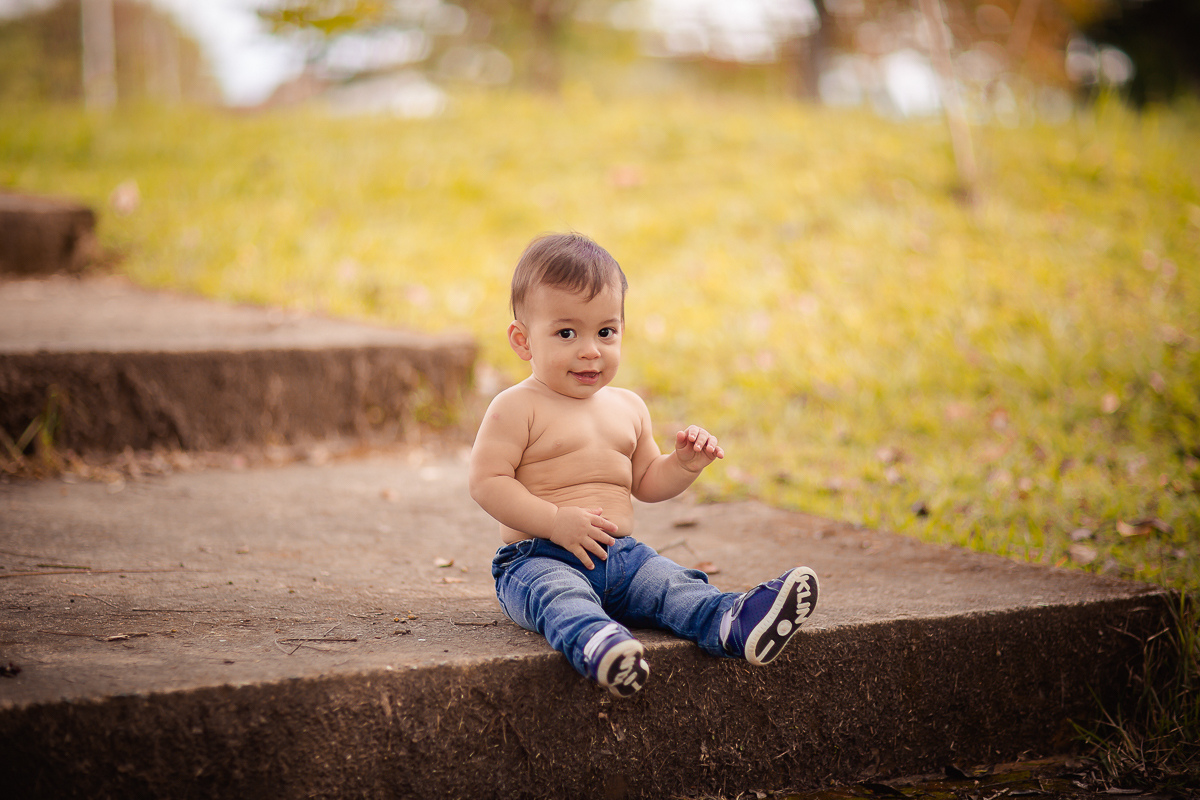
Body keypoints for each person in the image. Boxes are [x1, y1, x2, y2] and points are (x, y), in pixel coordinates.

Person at [468, 232, 818, 697]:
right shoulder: (516, 407)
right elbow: (486, 482)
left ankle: (733, 622)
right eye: (567, 333)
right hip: (537, 557)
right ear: (522, 340)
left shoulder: (628, 407)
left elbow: (647, 482)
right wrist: (554, 522)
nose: (590, 349)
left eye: (605, 332)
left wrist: (684, 465)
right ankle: (600, 644)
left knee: (673, 583)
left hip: (622, 555)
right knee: (562, 598)